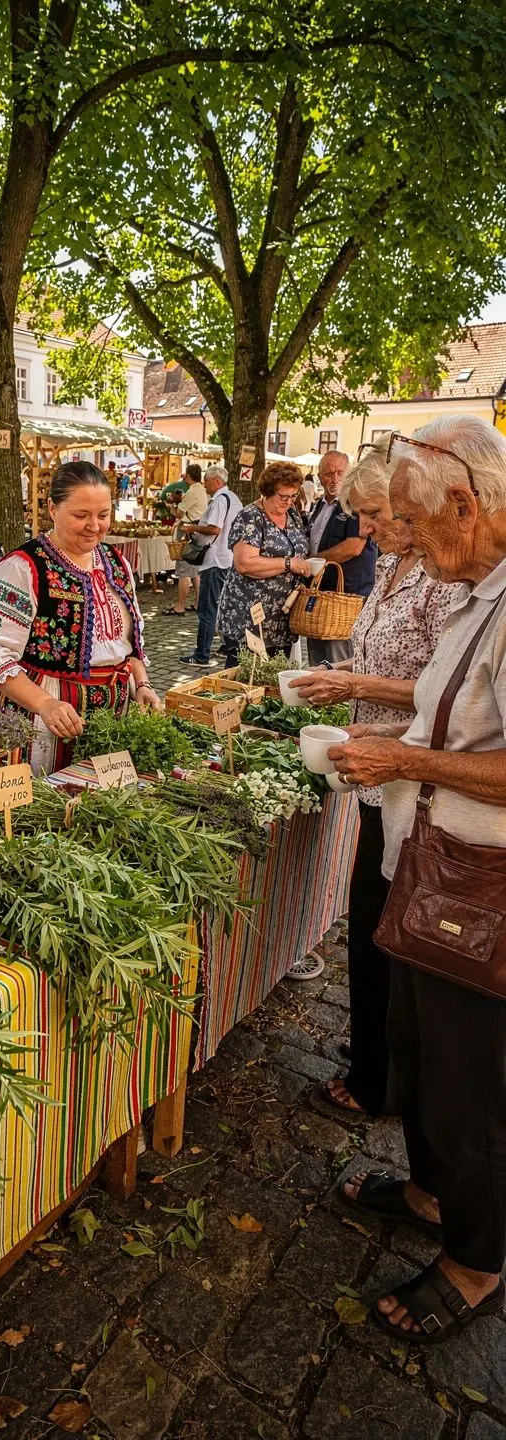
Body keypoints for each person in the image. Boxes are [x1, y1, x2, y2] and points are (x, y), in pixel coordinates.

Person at [330, 414, 506, 1343]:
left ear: (466, 505)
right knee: (421, 1047)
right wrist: (401, 752)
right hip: (429, 864)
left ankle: (478, 1260)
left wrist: (406, 763)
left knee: (470, 1076)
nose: (397, 537)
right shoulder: (476, 583)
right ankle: (433, 1191)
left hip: (481, 886)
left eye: (409, 518)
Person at [290, 440, 454, 1117]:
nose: (367, 528)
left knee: (383, 923)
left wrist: (357, 684)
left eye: (377, 513)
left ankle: (378, 1077)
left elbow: (448, 693)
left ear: (413, 507)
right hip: (372, 762)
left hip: (408, 775)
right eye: (359, 515)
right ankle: (373, 1047)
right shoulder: (388, 568)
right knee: (369, 921)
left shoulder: (444, 580)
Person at [0, 460, 158, 774]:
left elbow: (129, 643)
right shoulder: (21, 568)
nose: (94, 526)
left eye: (103, 515)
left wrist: (143, 684)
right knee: (44, 810)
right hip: (42, 723)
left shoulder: (117, 563)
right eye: (81, 515)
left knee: (100, 811)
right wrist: (45, 704)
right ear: (53, 510)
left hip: (112, 722)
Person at [217, 461, 310, 666]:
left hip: (281, 616)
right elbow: (245, 564)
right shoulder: (251, 517)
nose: (288, 501)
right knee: (244, 678)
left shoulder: (292, 515)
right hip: (250, 614)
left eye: (293, 496)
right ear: (268, 492)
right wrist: (288, 564)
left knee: (272, 678)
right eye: (282, 496)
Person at [307, 450, 376, 664]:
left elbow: (354, 546)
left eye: (340, 472)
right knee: (317, 658)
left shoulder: (355, 503)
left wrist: (314, 560)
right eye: (329, 474)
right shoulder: (320, 505)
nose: (335, 478)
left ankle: (341, 698)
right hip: (321, 592)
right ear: (319, 477)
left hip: (346, 595)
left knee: (339, 661)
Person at [180, 465, 242, 668]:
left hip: (215, 560)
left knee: (207, 609)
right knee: (224, 605)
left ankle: (201, 655)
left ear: (217, 480)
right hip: (228, 558)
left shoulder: (219, 501)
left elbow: (215, 528)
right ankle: (230, 647)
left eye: (206, 480)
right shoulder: (233, 498)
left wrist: (193, 527)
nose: (204, 483)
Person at [166, 463, 207, 616]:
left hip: (188, 532)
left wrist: (170, 505)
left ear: (189, 476)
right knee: (195, 571)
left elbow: (179, 513)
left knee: (183, 571)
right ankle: (198, 602)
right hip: (197, 530)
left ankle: (180, 606)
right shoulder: (202, 490)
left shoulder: (192, 491)